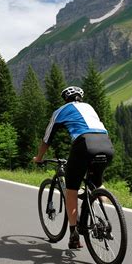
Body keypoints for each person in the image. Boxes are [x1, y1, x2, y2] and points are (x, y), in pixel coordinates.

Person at [33, 86, 114, 249]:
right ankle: (99, 202)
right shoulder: (89, 108)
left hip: (84, 144)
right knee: (95, 182)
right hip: (106, 144)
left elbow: (47, 138)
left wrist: (39, 157)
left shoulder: (61, 111)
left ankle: (74, 235)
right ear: (80, 98)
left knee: (71, 189)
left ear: (65, 99)